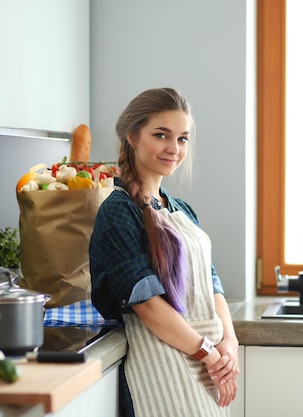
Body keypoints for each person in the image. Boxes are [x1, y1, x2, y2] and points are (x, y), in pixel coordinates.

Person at [89, 87, 239, 417]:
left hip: (206, 365)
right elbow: (148, 307)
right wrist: (211, 354)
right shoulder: (119, 212)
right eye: (161, 135)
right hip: (161, 368)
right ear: (133, 136)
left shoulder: (180, 208)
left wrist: (231, 343)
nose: (174, 148)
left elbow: (212, 284)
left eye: (183, 139)